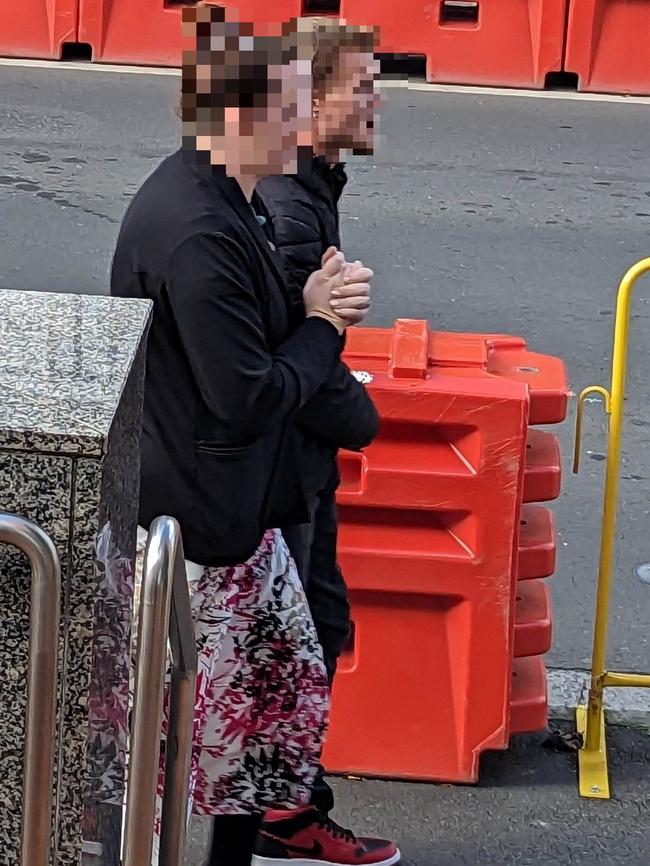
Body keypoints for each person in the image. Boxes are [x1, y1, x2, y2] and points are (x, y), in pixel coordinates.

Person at [110, 5, 374, 866]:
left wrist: (303, 315)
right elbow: (246, 395)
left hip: (231, 521)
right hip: (202, 533)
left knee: (265, 714)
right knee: (201, 753)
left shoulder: (235, 199)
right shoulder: (199, 228)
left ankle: (259, 832)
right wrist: (324, 326)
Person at [253, 17, 401, 866]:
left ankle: (285, 805)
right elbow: (289, 350)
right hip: (279, 470)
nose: (378, 102)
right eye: (364, 87)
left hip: (296, 463)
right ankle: (284, 813)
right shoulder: (290, 200)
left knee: (314, 623)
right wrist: (359, 417)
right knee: (303, 628)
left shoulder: (311, 187)